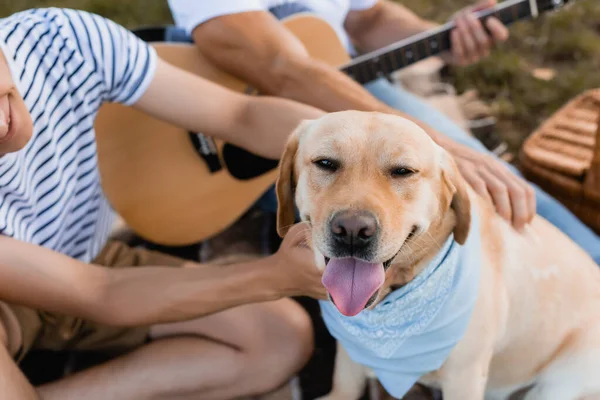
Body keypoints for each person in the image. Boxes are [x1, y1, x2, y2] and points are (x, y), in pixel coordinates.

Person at [0, 7, 328, 399]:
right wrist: (276, 275)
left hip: (86, 258)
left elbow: (239, 115)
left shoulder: (61, 39)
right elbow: (102, 293)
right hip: (19, 301)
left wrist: (362, 148)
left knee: (280, 338)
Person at [167, 0, 600, 265]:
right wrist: (441, 146)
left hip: (343, 81)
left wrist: (439, 40)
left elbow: (367, 17)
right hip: (217, 122)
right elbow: (279, 68)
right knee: (471, 173)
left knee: (491, 191)